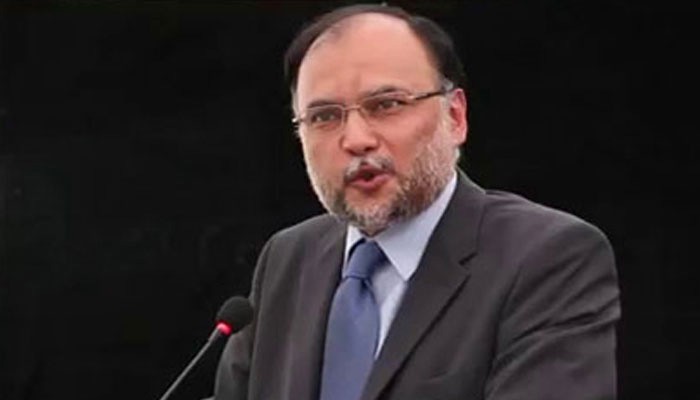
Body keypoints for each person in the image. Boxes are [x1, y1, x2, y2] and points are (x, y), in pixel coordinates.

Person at [214, 4, 620, 400]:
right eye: (324, 116)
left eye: (386, 105)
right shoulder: (288, 258)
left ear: (455, 117)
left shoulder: (546, 259)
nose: (356, 140)